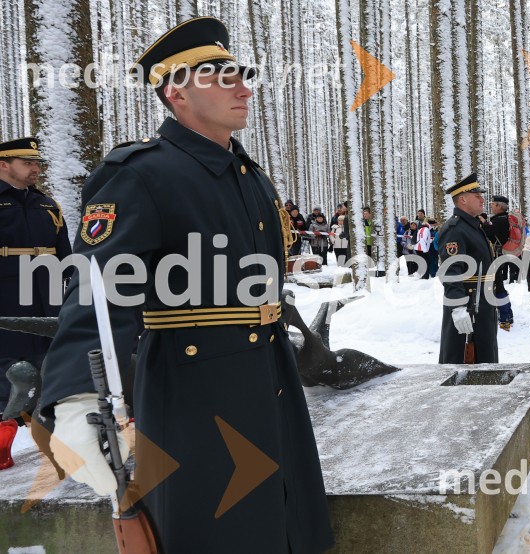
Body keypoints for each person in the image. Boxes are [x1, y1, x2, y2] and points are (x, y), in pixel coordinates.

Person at [40, 17, 333, 551]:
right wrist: (74, 396)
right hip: (194, 388)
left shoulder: (247, 174)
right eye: (221, 76)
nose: (243, 87)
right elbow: (100, 285)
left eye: (241, 74)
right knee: (217, 528)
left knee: (284, 524)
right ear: (175, 91)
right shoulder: (141, 173)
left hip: (268, 373)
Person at [0, 137, 72, 466]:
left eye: (36, 163)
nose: (35, 168)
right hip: (8, 297)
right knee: (9, 366)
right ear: (4, 164)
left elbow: (64, 252)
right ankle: (3, 442)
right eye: (27, 162)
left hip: (49, 295)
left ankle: (59, 434)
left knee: (53, 360)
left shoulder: (47, 205)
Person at [437, 173, 498, 363]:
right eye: (477, 196)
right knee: (461, 364)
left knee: (485, 360)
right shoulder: (456, 229)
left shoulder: (472, 226)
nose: (482, 199)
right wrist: (457, 307)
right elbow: (451, 270)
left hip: (482, 305)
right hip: (469, 306)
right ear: (462, 199)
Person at [481, 194, 514, 331]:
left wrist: (482, 221)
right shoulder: (501, 219)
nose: (491, 206)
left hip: (496, 257)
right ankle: (507, 315)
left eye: (493, 205)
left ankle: (505, 318)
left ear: (500, 206)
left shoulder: (500, 220)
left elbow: (488, 231)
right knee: (499, 285)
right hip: (499, 256)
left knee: (498, 287)